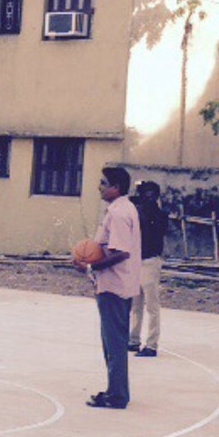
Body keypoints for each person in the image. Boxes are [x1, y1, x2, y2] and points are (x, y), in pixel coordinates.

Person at [73, 166, 141, 409]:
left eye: (104, 183)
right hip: (118, 284)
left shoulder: (119, 214)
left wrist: (90, 266)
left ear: (116, 187)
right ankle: (116, 390)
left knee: (114, 344)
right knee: (114, 343)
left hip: (114, 286)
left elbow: (121, 252)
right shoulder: (122, 209)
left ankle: (117, 395)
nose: (99, 187)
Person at [128, 180, 170, 358]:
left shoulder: (157, 215)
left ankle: (151, 344)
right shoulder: (142, 211)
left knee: (151, 305)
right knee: (136, 304)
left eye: (151, 194)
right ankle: (134, 340)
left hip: (150, 260)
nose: (148, 197)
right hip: (138, 260)